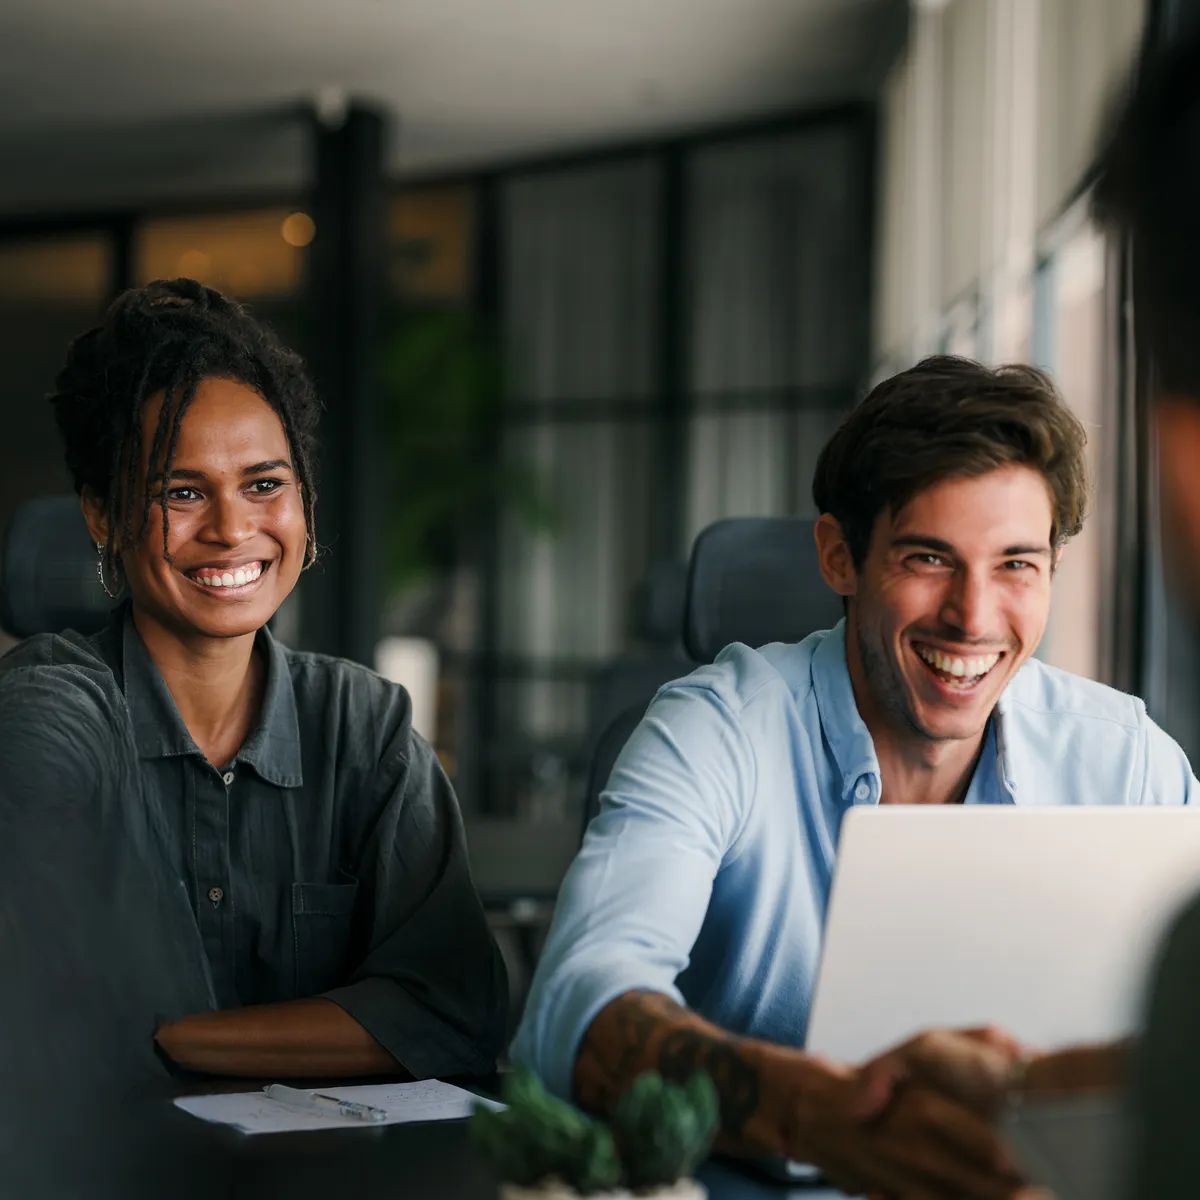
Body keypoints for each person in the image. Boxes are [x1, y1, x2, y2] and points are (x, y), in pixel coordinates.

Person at [512, 354, 1199, 1199]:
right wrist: (822, 1115)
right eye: (929, 559)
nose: (974, 618)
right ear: (839, 557)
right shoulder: (716, 729)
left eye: (1016, 564)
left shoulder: (1125, 759)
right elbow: (577, 1002)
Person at [0, 277, 506, 1082]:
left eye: (264, 484)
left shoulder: (364, 726)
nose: (233, 529)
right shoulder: (51, 704)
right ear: (101, 512)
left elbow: (455, 1012)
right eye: (182, 491)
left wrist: (170, 1038)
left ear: (302, 497)